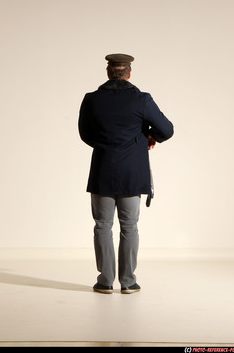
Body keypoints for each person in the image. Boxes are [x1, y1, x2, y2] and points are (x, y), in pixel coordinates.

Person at [78, 53, 174, 294]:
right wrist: (150, 137)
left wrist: (106, 145)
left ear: (108, 73)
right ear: (129, 73)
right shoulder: (141, 100)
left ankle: (105, 281)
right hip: (132, 172)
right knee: (129, 227)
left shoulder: (91, 99)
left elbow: (85, 134)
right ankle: (128, 282)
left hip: (102, 170)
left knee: (102, 225)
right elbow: (167, 129)